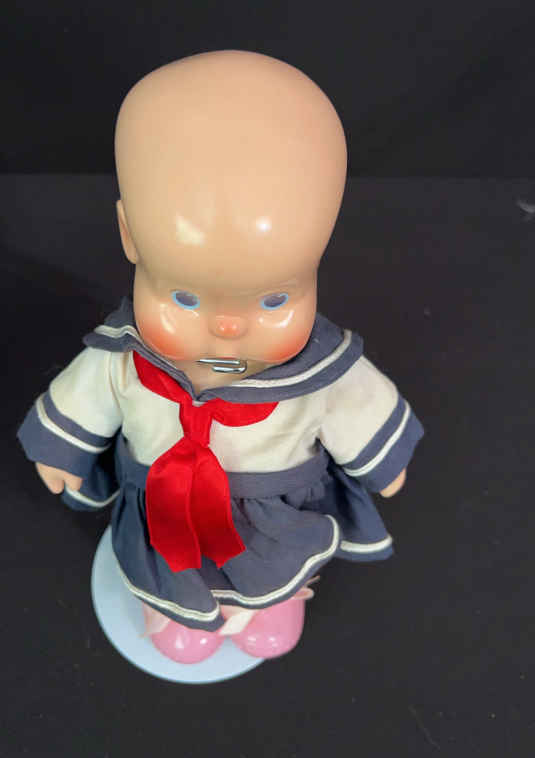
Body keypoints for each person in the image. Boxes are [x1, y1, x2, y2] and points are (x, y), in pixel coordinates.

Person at [17, 51, 424, 664]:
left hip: (272, 517)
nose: (229, 329)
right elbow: (86, 396)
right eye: (184, 298)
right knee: (164, 561)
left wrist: (382, 460)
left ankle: (270, 597)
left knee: (271, 561)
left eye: (275, 299)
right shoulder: (124, 359)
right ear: (130, 236)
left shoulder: (317, 374)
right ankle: (172, 602)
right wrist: (62, 448)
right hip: (163, 508)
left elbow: (359, 405)